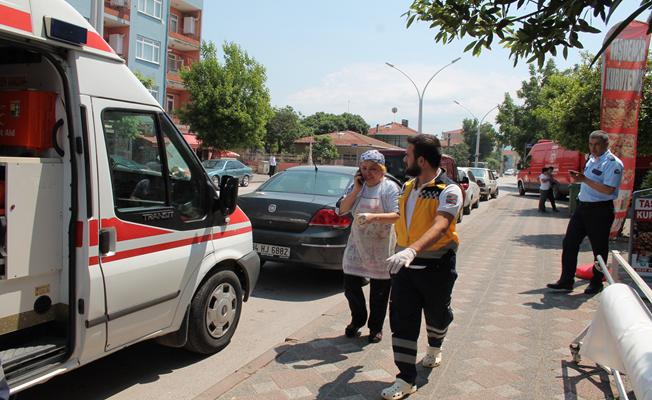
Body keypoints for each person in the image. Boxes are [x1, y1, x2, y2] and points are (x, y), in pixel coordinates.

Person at [379, 135, 462, 400]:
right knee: (402, 322)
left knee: (437, 316)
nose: (405, 159)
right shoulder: (407, 187)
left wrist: (413, 250)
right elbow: (402, 218)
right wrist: (374, 219)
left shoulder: (448, 190)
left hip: (436, 267)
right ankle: (405, 379)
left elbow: (441, 225)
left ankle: (435, 345)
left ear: (421, 160)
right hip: (404, 266)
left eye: (408, 155)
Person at [547, 130, 623, 295]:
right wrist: (580, 179)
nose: (593, 148)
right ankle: (566, 280)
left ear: (606, 144)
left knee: (599, 250)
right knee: (569, 243)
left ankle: (596, 282)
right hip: (583, 207)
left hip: (600, 210)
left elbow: (609, 190)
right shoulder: (591, 160)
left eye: (597, 145)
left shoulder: (613, 163)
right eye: (590, 144)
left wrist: (585, 180)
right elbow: (588, 182)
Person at [337, 150, 400, 343]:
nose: (367, 173)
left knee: (379, 293)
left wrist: (373, 217)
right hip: (357, 245)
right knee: (351, 287)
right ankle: (358, 319)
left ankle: (375, 328)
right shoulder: (357, 186)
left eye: (373, 169)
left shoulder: (389, 188)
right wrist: (355, 190)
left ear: (382, 170)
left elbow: (397, 216)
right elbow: (341, 210)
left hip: (381, 247)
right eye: (364, 168)